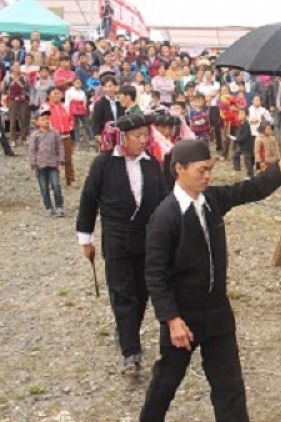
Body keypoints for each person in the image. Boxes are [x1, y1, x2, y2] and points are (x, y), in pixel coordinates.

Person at [140, 139, 281, 422]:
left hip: (217, 312)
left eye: (209, 170)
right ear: (179, 168)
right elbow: (155, 273)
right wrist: (171, 318)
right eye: (201, 170)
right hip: (183, 317)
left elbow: (250, 189)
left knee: (229, 387)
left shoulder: (212, 200)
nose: (207, 176)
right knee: (166, 383)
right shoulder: (165, 216)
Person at [77, 114, 167, 375]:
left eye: (145, 135)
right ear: (123, 137)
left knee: (141, 293)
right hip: (116, 238)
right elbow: (88, 201)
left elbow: (163, 202)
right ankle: (131, 354)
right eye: (137, 136)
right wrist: (86, 238)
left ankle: (126, 330)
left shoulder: (152, 165)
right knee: (122, 293)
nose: (142, 140)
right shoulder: (104, 164)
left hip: (146, 239)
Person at [29, 105, 64, 217]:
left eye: (47, 119)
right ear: (37, 122)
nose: (46, 121)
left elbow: (60, 147)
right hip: (40, 165)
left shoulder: (55, 133)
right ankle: (48, 207)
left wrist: (61, 161)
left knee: (56, 186)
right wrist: (33, 165)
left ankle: (59, 207)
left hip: (53, 164)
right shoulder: (35, 135)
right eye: (43, 119)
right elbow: (32, 150)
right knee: (44, 188)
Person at [46, 86, 74, 185]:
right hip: (51, 137)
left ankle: (70, 179)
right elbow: (42, 121)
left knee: (68, 158)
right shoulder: (45, 107)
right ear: (49, 95)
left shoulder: (65, 107)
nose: (57, 95)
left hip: (66, 136)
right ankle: (51, 181)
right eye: (54, 93)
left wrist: (70, 127)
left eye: (58, 93)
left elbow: (71, 119)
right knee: (52, 159)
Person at [91, 75, 124, 144]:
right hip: (106, 139)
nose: (108, 89)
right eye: (105, 86)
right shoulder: (99, 104)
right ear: (103, 88)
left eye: (110, 86)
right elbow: (95, 124)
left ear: (115, 87)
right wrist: (102, 140)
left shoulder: (120, 102)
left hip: (121, 138)